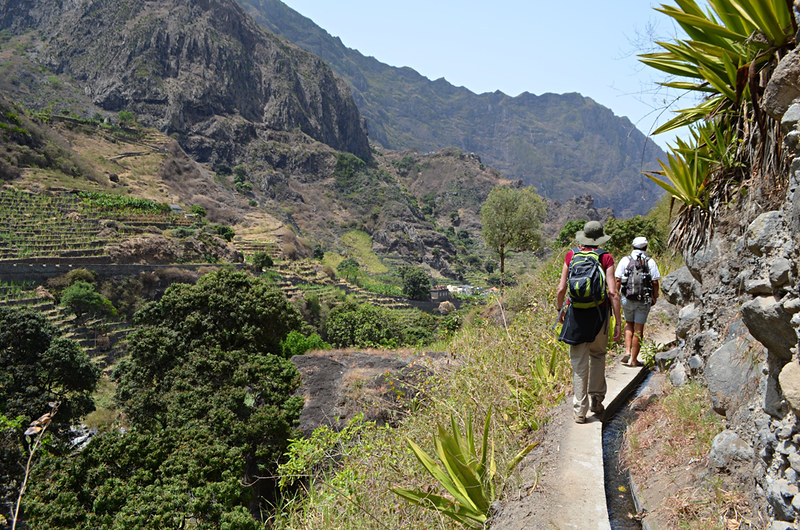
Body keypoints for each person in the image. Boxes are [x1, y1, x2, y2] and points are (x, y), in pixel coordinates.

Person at [556, 221, 621, 423]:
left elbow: (560, 289)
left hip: (576, 316)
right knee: (598, 356)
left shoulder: (571, 255)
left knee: (579, 363)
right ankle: (597, 400)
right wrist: (618, 321)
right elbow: (613, 292)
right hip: (599, 317)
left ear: (583, 238)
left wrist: (560, 311)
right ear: (600, 238)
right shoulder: (606, 257)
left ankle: (580, 411)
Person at [615, 236, 661, 368]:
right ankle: (634, 360)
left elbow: (618, 279)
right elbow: (655, 281)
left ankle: (628, 351)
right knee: (638, 328)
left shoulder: (625, 260)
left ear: (633, 247)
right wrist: (655, 296)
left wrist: (617, 296)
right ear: (646, 247)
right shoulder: (650, 262)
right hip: (643, 299)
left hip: (627, 298)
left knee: (628, 323)